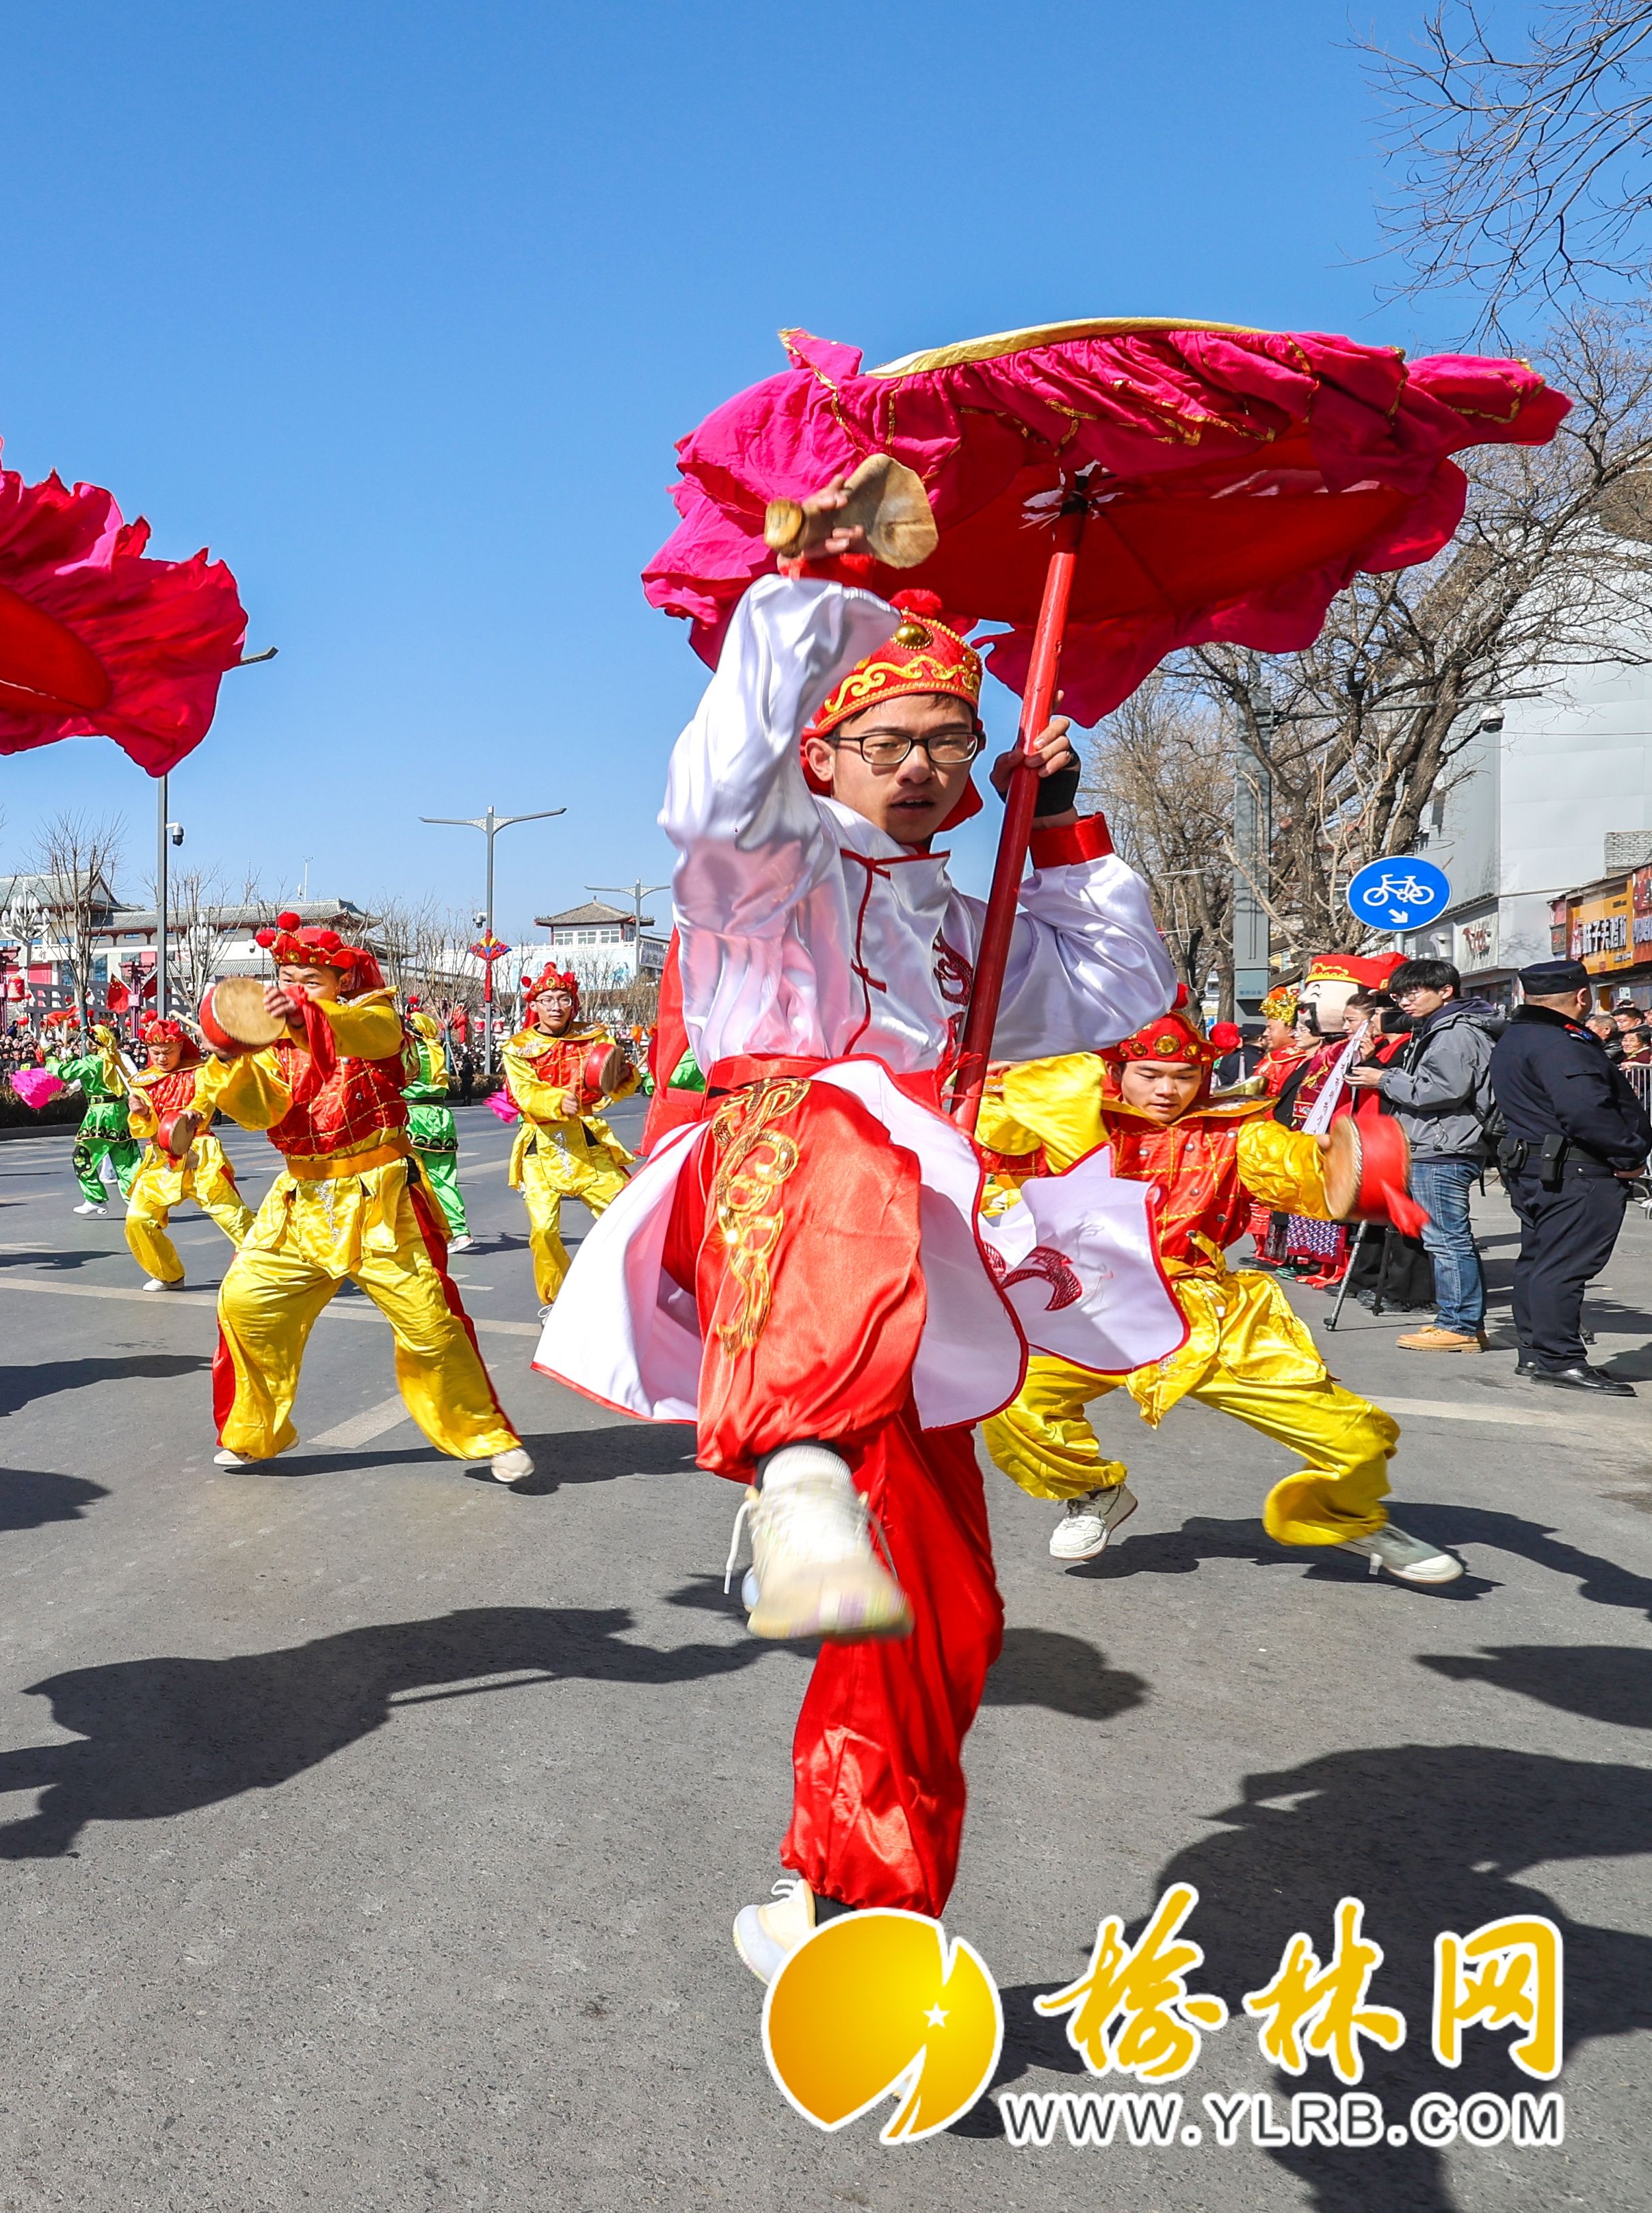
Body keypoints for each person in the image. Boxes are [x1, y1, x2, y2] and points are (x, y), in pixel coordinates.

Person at [532, 532, 1177, 1987]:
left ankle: (840, 1903)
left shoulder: (961, 914)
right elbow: (713, 788)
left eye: (955, 742)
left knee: (945, 1612)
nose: (924, 767)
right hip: (780, 1201)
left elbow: (1114, 997)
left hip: (908, 1278)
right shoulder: (764, 880)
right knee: (844, 1127)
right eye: (887, 740)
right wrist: (810, 594)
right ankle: (795, 1461)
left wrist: (1062, 824)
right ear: (821, 751)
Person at [975, 1019, 1462, 1584]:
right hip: (1088, 1308)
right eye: (1149, 1075)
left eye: (1184, 1076)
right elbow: (987, 1174)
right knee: (1014, 1400)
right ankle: (1093, 1494)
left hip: (1203, 1313)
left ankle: (1343, 1516)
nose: (1166, 1090)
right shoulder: (1070, 1130)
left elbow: (1302, 1163)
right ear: (1117, 1073)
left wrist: (1359, 1173)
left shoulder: (1233, 1134)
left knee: (1352, 1436)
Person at [196, 915, 525, 1478]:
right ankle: (252, 1432)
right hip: (301, 1201)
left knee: (429, 1320)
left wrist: (308, 1018)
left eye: (308, 979)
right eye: (284, 976)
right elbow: (259, 1112)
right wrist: (229, 1055)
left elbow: (377, 1037)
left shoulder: (369, 1018)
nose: (292, 989)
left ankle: (484, 1435)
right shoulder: (271, 1050)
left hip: (381, 1200)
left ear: (338, 982)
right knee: (245, 1303)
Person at [1488, 956, 1651, 1396]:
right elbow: (1584, 1110)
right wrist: (1629, 1151)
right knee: (1564, 1266)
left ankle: (1537, 1350)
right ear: (1582, 998)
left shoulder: (1519, 1037)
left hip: (1540, 1166)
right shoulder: (1561, 1043)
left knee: (1540, 1261)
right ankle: (1559, 1359)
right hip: (1574, 1170)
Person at [503, 964, 634, 1305]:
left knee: (629, 1215)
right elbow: (525, 1094)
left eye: (563, 998)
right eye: (546, 1000)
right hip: (540, 1148)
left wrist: (622, 1077)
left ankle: (632, 1291)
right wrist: (556, 1101)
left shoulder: (594, 1037)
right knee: (544, 1231)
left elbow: (617, 1078)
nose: (555, 1007)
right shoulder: (517, 1048)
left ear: (573, 1003)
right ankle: (557, 1302)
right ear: (534, 1006)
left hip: (588, 1143)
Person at [118, 1011, 249, 1290]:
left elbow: (206, 1100)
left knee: (231, 1215)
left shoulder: (200, 1072)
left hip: (200, 1154)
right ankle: (168, 1274)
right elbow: (142, 1131)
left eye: (167, 1051)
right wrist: (141, 1114)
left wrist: (194, 1113)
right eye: (156, 1052)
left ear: (179, 1047)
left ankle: (268, 1268)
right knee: (138, 1219)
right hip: (162, 1159)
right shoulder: (142, 1081)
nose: (162, 1058)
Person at [398, 1002, 472, 1240]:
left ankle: (416, 1231)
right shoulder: (436, 1050)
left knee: (405, 1177)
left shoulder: (409, 1051)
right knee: (444, 1179)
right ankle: (458, 1230)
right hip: (441, 1117)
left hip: (414, 1118)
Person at [51, 1021, 140, 1214]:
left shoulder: (94, 1062)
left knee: (82, 1157)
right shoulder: (117, 1059)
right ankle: (141, 1205)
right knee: (127, 1162)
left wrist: (49, 1052)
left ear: (92, 1044)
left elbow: (61, 1072)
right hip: (121, 1112)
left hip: (101, 1115)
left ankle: (95, 1198)